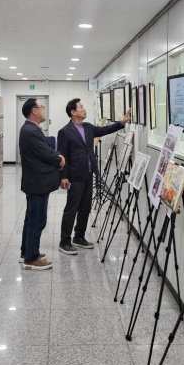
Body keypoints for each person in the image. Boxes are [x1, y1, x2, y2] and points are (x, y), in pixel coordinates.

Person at [58, 99, 131, 255]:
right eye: (81, 107)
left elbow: (105, 130)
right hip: (75, 175)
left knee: (85, 207)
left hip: (89, 173)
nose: (84, 109)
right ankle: (64, 241)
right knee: (72, 208)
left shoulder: (88, 127)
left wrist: (122, 122)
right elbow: (62, 155)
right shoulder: (65, 131)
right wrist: (63, 177)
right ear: (73, 112)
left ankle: (79, 236)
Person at [19, 98, 65, 270]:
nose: (44, 110)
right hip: (37, 183)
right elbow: (45, 153)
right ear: (34, 111)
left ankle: (26, 252)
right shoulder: (30, 131)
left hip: (35, 181)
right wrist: (59, 158)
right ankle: (31, 259)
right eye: (41, 107)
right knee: (37, 220)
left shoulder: (31, 129)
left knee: (31, 218)